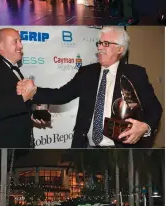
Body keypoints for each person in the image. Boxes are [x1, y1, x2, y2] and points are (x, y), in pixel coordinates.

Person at [17, 27, 162, 148]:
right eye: (99, 43)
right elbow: (61, 95)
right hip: (85, 148)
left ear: (120, 49)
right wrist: (33, 91)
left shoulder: (135, 74)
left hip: (121, 150)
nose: (99, 46)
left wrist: (145, 127)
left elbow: (154, 107)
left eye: (105, 43)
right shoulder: (87, 72)